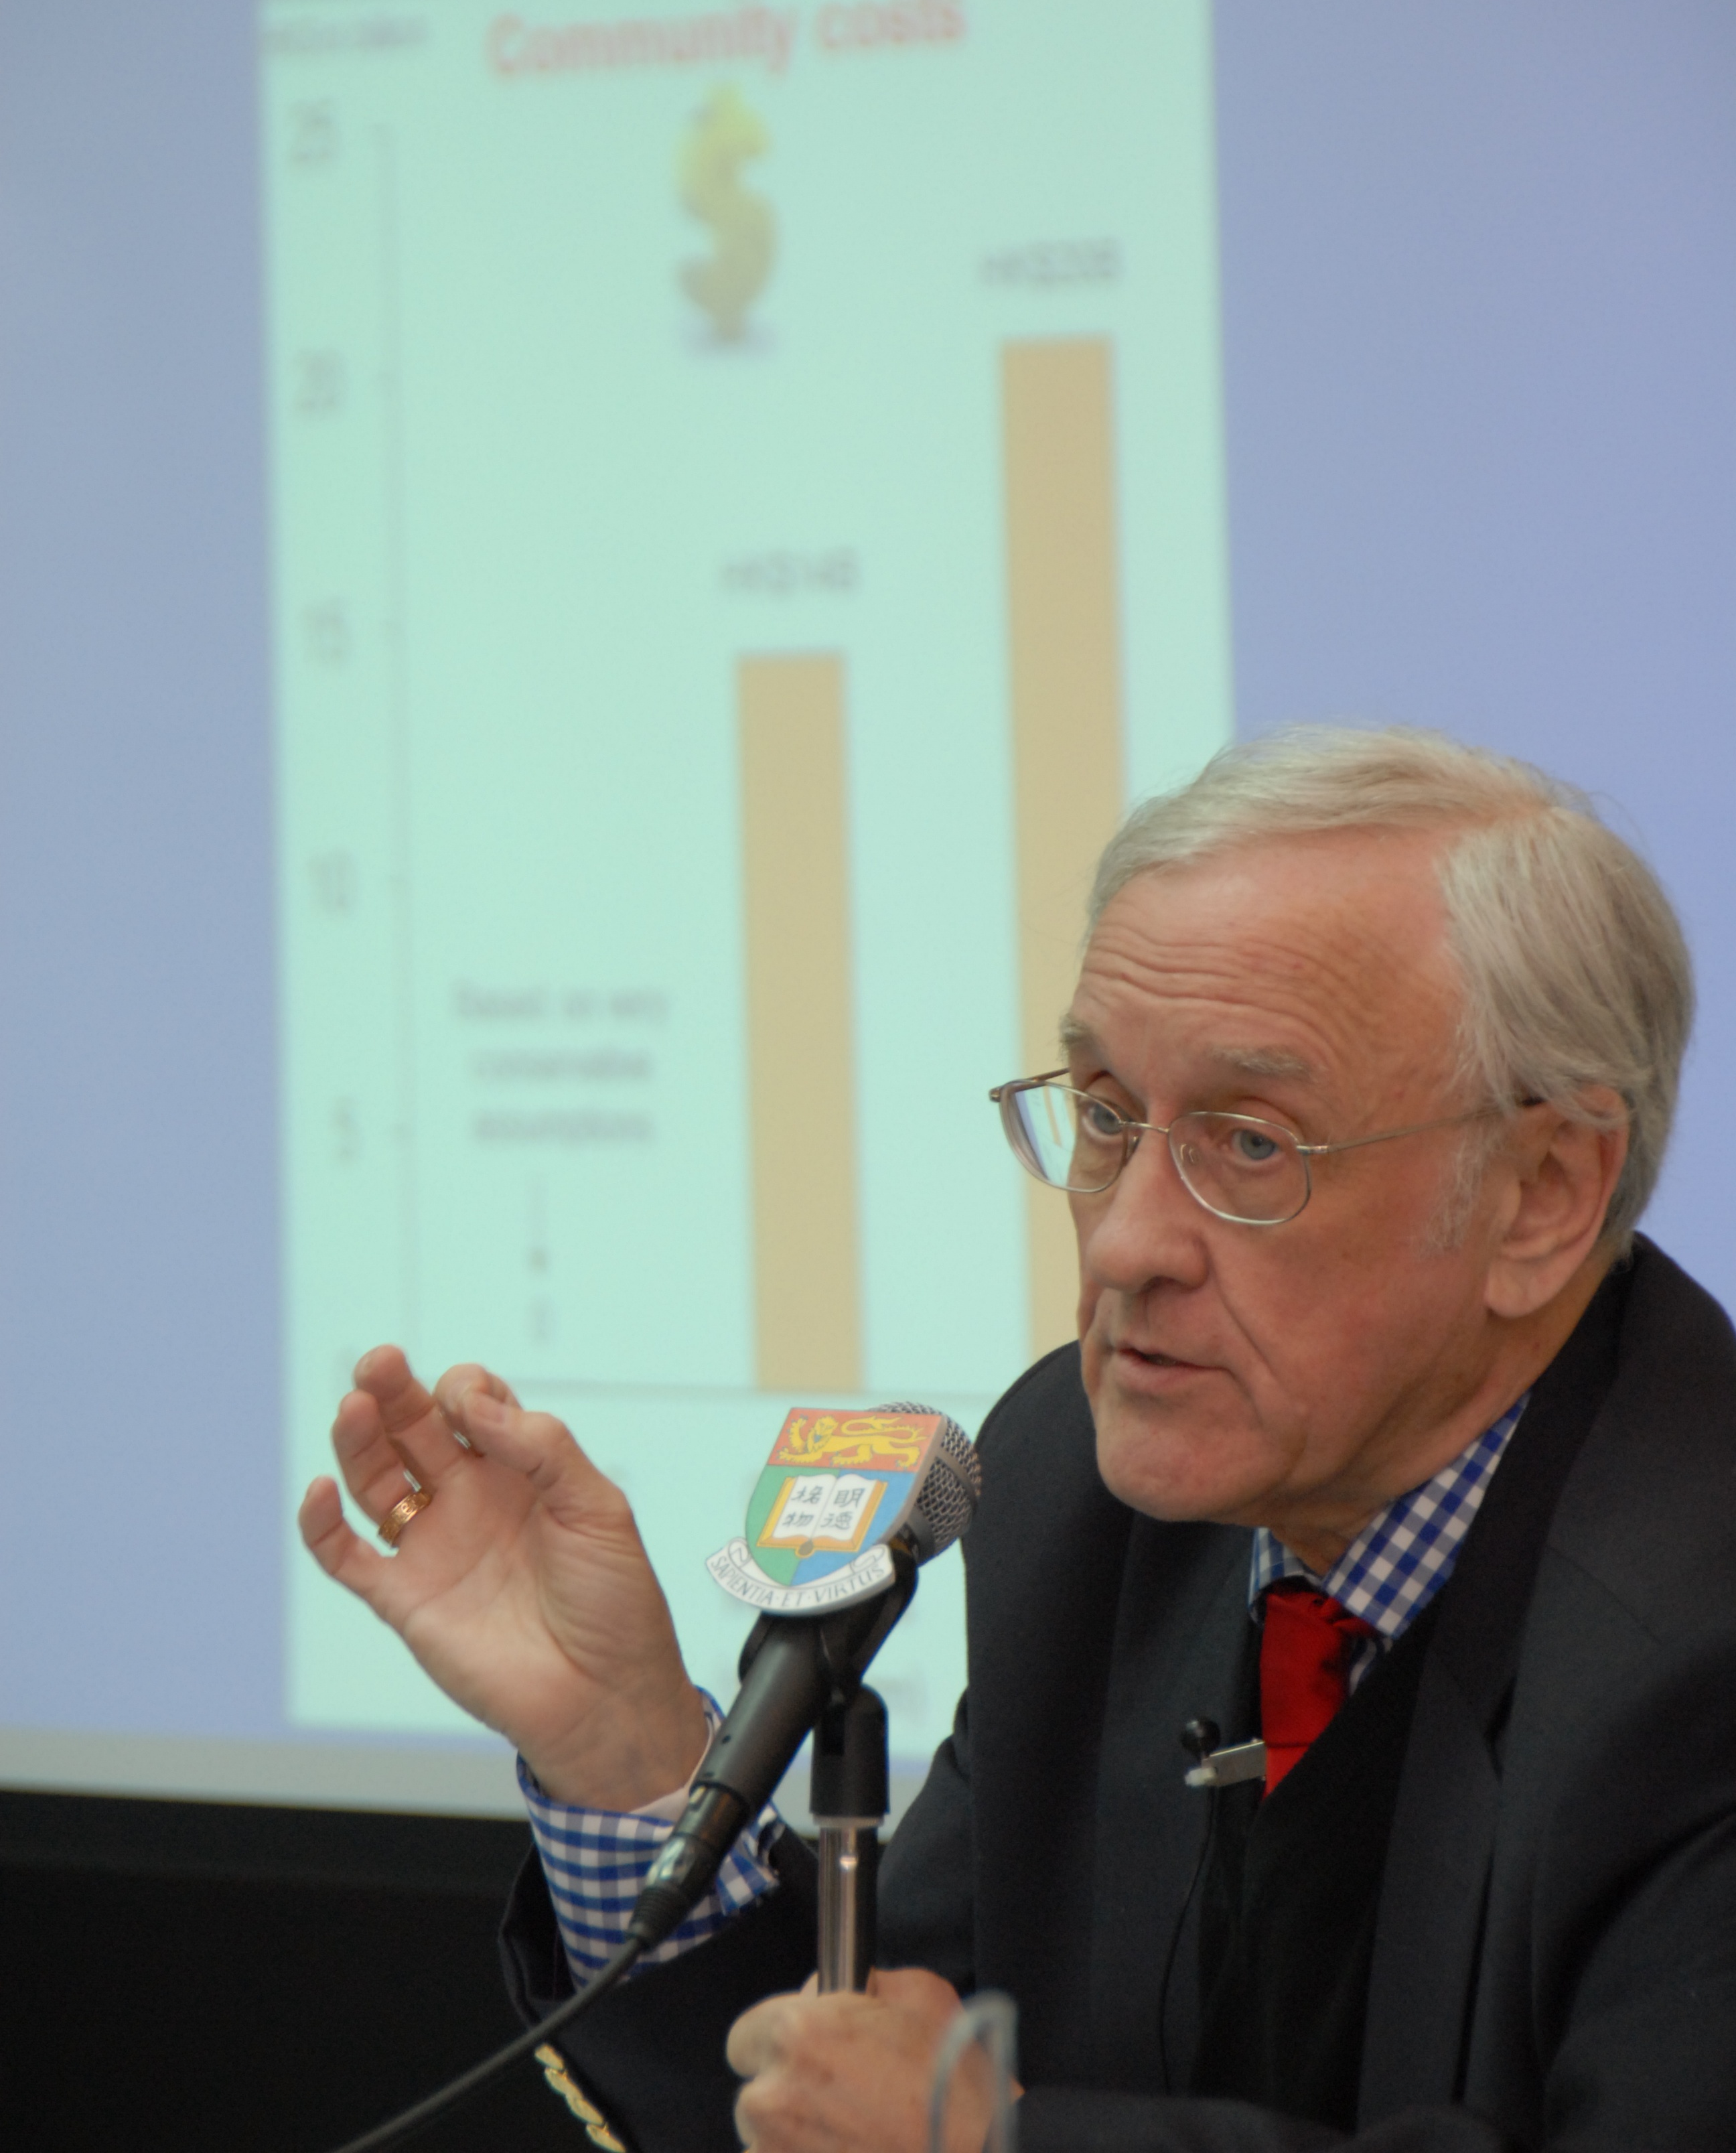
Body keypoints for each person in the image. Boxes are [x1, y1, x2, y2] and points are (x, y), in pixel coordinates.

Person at [299, 726, 1736, 2153]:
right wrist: (623, 1751)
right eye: (1106, 1117)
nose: (1123, 1244)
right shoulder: (1083, 1498)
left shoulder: (1699, 1644)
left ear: (1544, 1193)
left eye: (1251, 1143)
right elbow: (863, 2090)